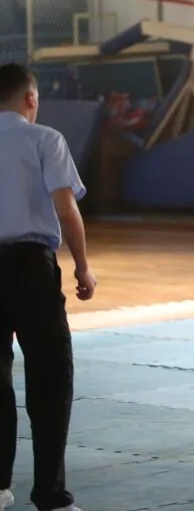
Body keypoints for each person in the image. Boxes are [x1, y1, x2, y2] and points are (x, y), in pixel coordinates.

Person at [0, 63, 95, 510]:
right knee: (51, 378)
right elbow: (65, 207)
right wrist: (82, 267)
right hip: (29, 270)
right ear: (31, 99)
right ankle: (51, 496)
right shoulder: (44, 139)